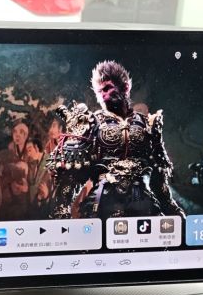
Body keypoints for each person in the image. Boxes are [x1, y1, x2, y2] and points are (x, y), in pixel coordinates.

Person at [46, 60, 184, 219]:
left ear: (125, 87)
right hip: (102, 206)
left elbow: (159, 180)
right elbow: (71, 178)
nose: (103, 95)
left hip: (144, 206)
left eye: (107, 88)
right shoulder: (91, 124)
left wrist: (172, 209)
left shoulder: (148, 124)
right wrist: (61, 211)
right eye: (99, 92)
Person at [24, 138, 52, 218]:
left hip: (45, 203)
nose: (28, 154)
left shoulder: (49, 161)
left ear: (36, 147)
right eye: (27, 151)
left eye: (30, 150)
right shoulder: (32, 164)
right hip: (33, 205)